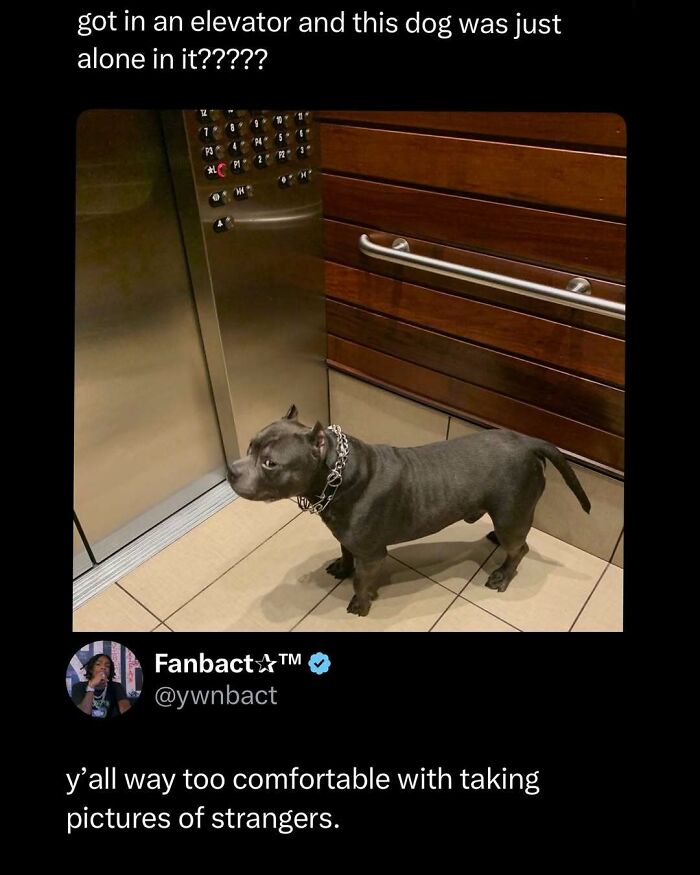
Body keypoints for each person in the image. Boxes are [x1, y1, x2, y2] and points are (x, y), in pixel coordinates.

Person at [72, 654, 131, 718]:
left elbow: (125, 708)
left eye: (107, 666)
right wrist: (91, 686)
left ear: (109, 672)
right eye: (98, 664)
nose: (103, 667)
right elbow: (84, 711)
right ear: (91, 669)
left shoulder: (117, 687)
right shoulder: (78, 687)